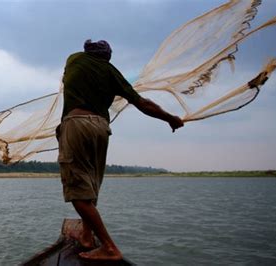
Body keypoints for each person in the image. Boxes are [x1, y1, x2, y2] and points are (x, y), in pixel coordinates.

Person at [56, 39, 184, 261]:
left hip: (77, 124)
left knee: (78, 191)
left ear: (88, 52)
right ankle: (87, 236)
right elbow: (142, 103)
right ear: (107, 56)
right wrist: (170, 118)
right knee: (91, 183)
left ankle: (109, 247)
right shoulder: (111, 71)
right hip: (100, 129)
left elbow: (68, 76)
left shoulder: (74, 59)